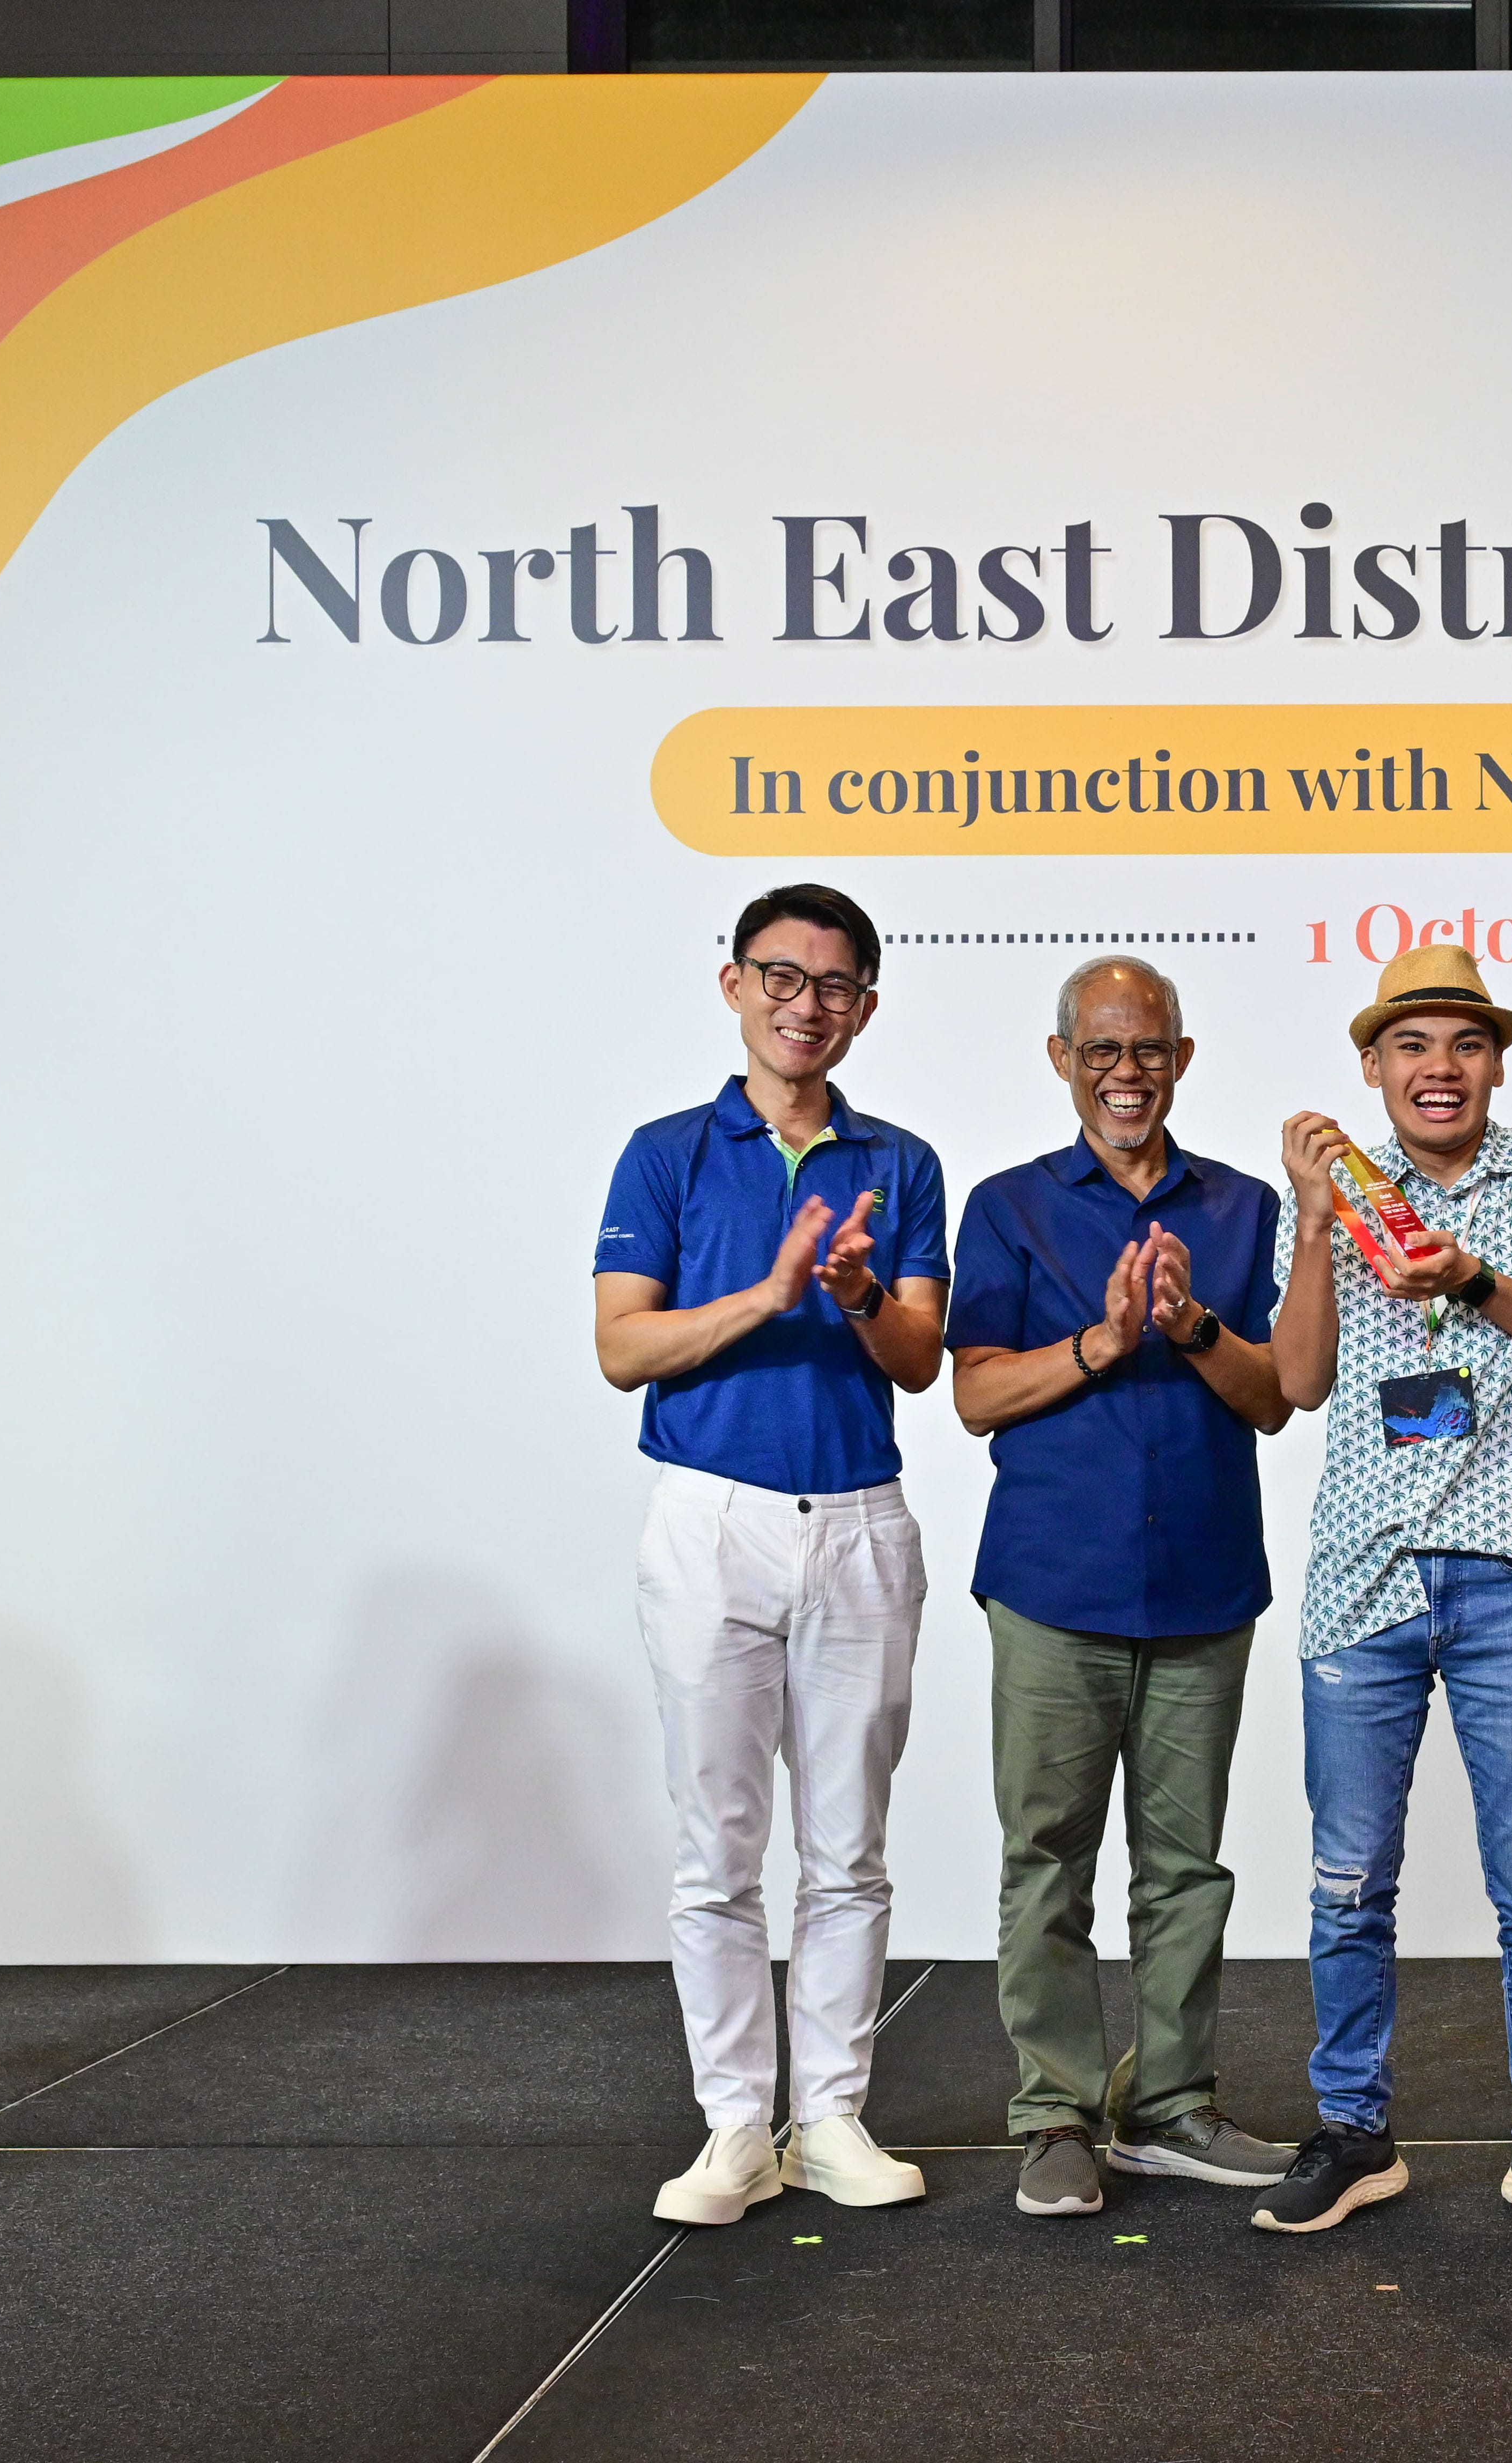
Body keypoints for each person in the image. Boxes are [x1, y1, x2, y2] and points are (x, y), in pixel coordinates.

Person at [1255, 947, 1512, 2238]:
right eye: (1411, 1045)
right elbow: (1298, 1381)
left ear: (1497, 1062)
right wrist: (1315, 1219)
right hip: (1361, 1580)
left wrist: (1471, 1277)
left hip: (1509, 1584)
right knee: (1346, 1882)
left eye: (1465, 1044)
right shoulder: (1340, 1192)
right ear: (1373, 1066)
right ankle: (1354, 2130)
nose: (1440, 1068)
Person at [593, 883, 950, 2228]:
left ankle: (834, 2116)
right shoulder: (668, 1154)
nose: (808, 1005)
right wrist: (768, 1291)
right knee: (719, 1848)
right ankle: (737, 2125)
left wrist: (853, 1292)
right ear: (735, 984)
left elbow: (918, 1358)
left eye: (836, 985)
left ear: (866, 1006)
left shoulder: (901, 1163)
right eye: (783, 977)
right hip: (712, 1517)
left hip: (858, 1519)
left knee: (849, 1847)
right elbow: (623, 1345)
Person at [946, 956, 1300, 2220]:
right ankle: (1054, 2113)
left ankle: (1170, 2106)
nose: (1126, 1072)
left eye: (1148, 1048)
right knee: (1046, 1859)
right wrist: (1101, 1342)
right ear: (1063, 1060)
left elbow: (1275, 1397)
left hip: (1204, 1579)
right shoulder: (1008, 1206)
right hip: (1053, 1582)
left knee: (1187, 1866)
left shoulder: (1246, 1207)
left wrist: (1192, 1325)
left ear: (1182, 1058)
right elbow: (976, 1393)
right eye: (1100, 1049)